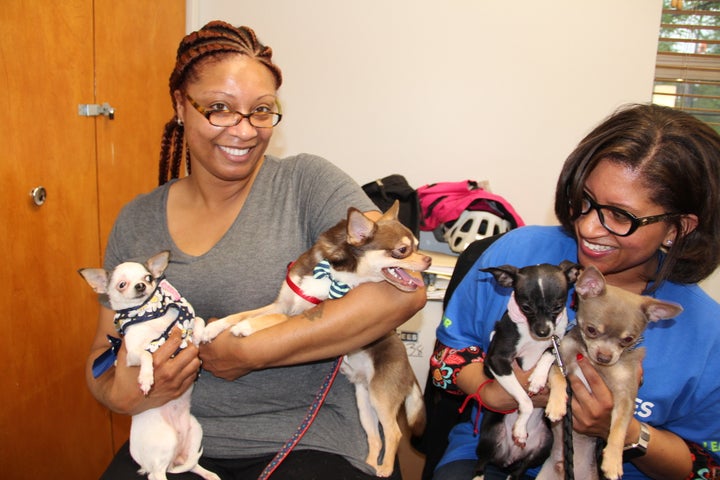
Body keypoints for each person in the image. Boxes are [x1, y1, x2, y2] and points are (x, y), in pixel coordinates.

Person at [85, 20, 426, 479]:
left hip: (307, 441)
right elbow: (99, 357)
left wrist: (255, 350)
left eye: (261, 111)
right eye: (220, 108)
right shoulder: (138, 220)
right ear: (180, 107)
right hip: (173, 439)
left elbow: (404, 290)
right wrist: (122, 392)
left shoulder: (305, 183)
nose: (244, 131)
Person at [429, 103, 720, 479]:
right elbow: (445, 360)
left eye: (621, 216)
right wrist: (491, 392)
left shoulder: (706, 332)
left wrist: (627, 433)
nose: (588, 227)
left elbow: (706, 467)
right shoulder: (522, 254)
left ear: (677, 228)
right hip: (497, 457)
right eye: (584, 200)